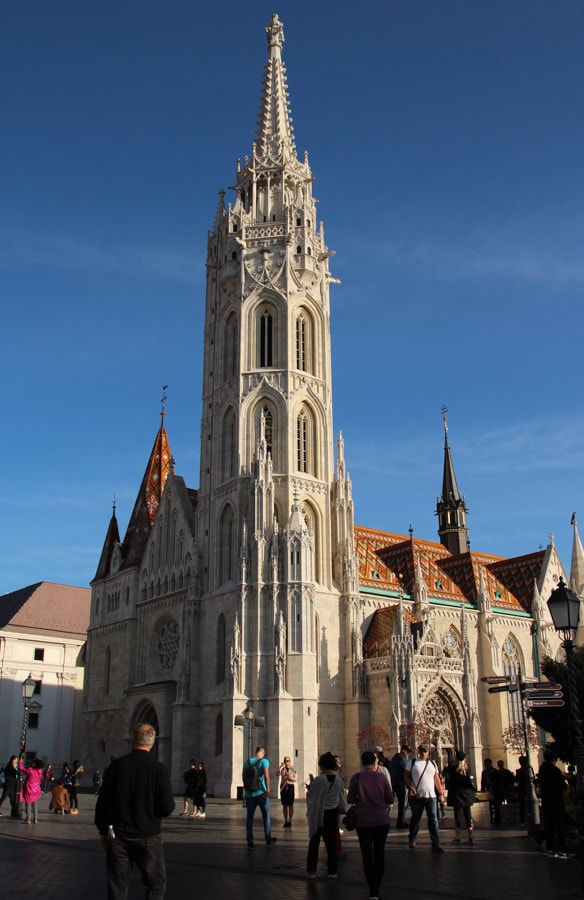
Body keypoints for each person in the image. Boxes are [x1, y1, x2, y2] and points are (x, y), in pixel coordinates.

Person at [95, 722, 175, 900]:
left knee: (117, 889)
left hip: (119, 838)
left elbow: (102, 804)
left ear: (132, 741)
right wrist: (152, 813)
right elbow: (167, 807)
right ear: (152, 743)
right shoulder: (158, 769)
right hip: (149, 837)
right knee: (155, 888)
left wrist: (102, 832)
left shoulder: (116, 766)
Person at [347, 750, 394, 900]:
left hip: (363, 821)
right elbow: (390, 798)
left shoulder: (356, 778)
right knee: (379, 853)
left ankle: (373, 889)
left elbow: (349, 799)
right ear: (375, 763)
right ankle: (377, 884)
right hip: (381, 820)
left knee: (367, 855)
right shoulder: (381, 777)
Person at [306, 751, 347, 879]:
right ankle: (332, 871)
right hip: (332, 813)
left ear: (322, 766)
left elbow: (311, 796)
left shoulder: (320, 780)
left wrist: (309, 788)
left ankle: (311, 871)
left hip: (320, 814)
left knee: (314, 842)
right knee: (331, 844)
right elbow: (341, 796)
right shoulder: (339, 780)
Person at [404, 744, 445, 853]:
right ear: (418, 751)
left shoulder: (432, 763)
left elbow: (436, 779)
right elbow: (406, 775)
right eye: (422, 751)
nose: (423, 753)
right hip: (418, 796)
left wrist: (440, 793)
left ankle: (436, 843)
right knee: (416, 819)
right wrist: (410, 786)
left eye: (425, 751)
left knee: (434, 820)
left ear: (428, 752)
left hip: (431, 796)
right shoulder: (412, 762)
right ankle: (412, 839)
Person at [538, 749, 573, 859]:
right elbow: (563, 786)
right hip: (556, 801)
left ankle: (551, 850)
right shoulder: (555, 770)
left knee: (549, 826)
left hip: (546, 801)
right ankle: (562, 850)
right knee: (559, 826)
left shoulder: (542, 769)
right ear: (554, 759)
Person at [243, 745, 277, 848]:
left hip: (249, 794)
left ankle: (250, 841)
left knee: (249, 818)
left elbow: (243, 775)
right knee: (266, 816)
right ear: (263, 753)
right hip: (261, 793)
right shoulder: (264, 761)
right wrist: (268, 790)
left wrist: (246, 788)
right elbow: (266, 776)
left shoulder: (247, 762)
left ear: (255, 752)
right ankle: (268, 838)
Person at [447, 751, 475, 844]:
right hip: (466, 795)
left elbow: (448, 779)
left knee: (457, 815)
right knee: (468, 815)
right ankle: (470, 836)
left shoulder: (452, 769)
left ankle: (458, 837)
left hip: (456, 795)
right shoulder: (467, 769)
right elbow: (469, 783)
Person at [389, 744, 410, 828]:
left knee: (390, 802)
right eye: (407, 752)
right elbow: (407, 769)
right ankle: (401, 822)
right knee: (403, 804)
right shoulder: (402, 758)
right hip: (401, 784)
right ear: (404, 751)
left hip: (393, 783)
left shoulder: (394, 758)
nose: (407, 754)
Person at [19, 757, 43, 825]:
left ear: (35, 764)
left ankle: (28, 819)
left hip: (29, 789)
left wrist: (20, 762)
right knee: (35, 805)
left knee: (28, 804)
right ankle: (35, 819)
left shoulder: (30, 770)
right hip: (36, 789)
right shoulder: (40, 771)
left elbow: (22, 769)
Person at [490, 759, 514, 828]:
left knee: (508, 805)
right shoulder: (496, 773)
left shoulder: (506, 772)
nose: (500, 766)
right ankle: (498, 820)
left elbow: (512, 779)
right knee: (497, 806)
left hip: (506, 790)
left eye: (501, 764)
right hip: (499, 791)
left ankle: (508, 818)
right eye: (499, 764)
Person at [279, 755, 297, 827]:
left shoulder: (293, 769)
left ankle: (290, 821)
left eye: (288, 761)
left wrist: (290, 777)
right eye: (286, 761)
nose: (287, 762)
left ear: (290, 762)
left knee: (290, 804)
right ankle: (285, 820)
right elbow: (277, 774)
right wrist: (280, 767)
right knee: (284, 805)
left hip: (290, 786)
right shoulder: (282, 769)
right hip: (283, 787)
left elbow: (295, 779)